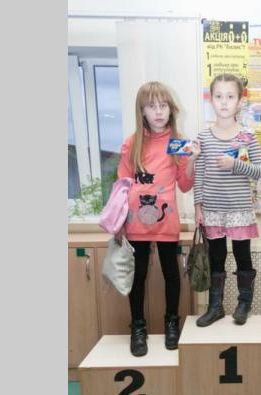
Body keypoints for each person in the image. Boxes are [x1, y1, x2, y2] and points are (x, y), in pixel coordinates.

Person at [116, 81, 200, 356]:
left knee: (171, 273)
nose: (159, 111)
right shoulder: (131, 144)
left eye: (163, 105)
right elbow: (122, 184)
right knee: (137, 275)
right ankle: (138, 327)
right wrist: (118, 221)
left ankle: (171, 323)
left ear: (171, 109)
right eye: (152, 106)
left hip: (166, 221)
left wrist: (192, 160)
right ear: (141, 111)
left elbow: (185, 185)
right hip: (135, 222)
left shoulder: (178, 142)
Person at [194, 73, 261, 327]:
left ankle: (244, 304)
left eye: (230, 96)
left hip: (239, 209)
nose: (224, 102)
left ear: (239, 101)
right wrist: (197, 207)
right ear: (211, 100)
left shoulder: (247, 135)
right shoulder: (203, 137)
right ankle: (215, 307)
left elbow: (260, 171)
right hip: (212, 210)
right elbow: (199, 173)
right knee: (216, 257)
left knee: (242, 255)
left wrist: (235, 164)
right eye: (218, 96)